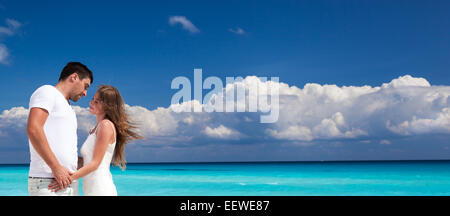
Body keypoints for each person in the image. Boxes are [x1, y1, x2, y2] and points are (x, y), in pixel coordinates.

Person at [49, 85, 143, 195]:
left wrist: (66, 180)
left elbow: (95, 164)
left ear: (108, 106)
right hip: (92, 188)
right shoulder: (96, 128)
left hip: (101, 188)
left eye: (96, 102)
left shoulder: (105, 125)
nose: (91, 103)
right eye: (92, 99)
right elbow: (87, 162)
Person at [27, 62, 93, 196]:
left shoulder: (69, 109)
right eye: (85, 86)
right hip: (48, 183)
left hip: (69, 183)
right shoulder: (48, 91)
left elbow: (62, 147)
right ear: (74, 77)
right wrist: (55, 167)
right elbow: (33, 128)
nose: (85, 93)